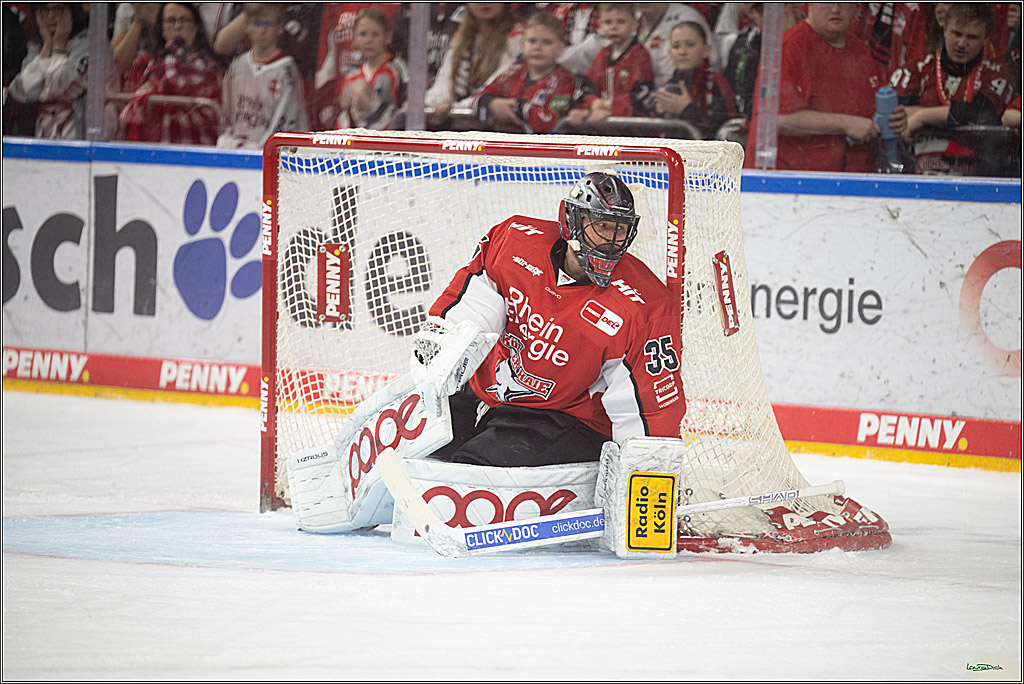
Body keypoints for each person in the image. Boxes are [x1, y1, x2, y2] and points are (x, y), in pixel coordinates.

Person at [416, 172, 686, 469]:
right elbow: (464, 316)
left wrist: (641, 489)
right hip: (494, 396)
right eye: (602, 226)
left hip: (568, 418)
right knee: (420, 446)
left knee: (474, 468)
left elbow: (649, 415)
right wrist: (439, 363)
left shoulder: (645, 304)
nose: (611, 240)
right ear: (571, 222)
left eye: (619, 231)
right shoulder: (514, 242)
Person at [743, 2, 907, 173]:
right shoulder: (788, 48)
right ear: (808, 5)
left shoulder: (863, 53)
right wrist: (844, 124)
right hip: (786, 183)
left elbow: (870, 116)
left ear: (856, 7)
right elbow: (773, 118)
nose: (836, 9)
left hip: (850, 184)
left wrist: (895, 120)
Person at [892, 3, 1017, 175]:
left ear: (986, 37)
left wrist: (922, 116)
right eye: (956, 33)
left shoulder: (998, 73)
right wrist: (949, 116)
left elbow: (980, 114)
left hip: (976, 180)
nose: (961, 43)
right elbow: (894, 115)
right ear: (944, 29)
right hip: (918, 177)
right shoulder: (918, 68)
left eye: (971, 37)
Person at [118, 2, 224, 145]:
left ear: (196, 27)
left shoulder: (207, 64)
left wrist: (172, 47)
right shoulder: (150, 62)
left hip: (191, 151)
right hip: (152, 149)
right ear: (161, 29)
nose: (177, 26)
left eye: (184, 20)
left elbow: (170, 85)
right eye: (171, 20)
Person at [471, 11, 582, 133]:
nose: (537, 47)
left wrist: (519, 108)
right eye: (532, 41)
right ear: (522, 46)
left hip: (540, 146)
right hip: (504, 142)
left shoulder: (565, 80)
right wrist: (492, 103)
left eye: (547, 42)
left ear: (561, 48)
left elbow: (552, 120)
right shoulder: (513, 72)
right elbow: (477, 96)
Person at [217, 3, 308, 149]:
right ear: (247, 27)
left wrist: (262, 149)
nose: (262, 30)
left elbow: (286, 121)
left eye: (268, 24)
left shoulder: (286, 70)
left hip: (273, 155)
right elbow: (227, 113)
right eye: (256, 24)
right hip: (238, 150)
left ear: (280, 28)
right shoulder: (237, 66)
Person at [424, 3, 522, 127]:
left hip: (494, 129)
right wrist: (425, 103)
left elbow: (491, 92)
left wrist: (453, 107)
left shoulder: (518, 37)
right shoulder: (462, 36)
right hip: (459, 126)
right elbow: (443, 86)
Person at [7, 2, 90, 140]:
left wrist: (58, 50)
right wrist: (47, 48)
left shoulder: (86, 45)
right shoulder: (36, 47)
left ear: (71, 11)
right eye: (44, 10)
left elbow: (54, 87)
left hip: (77, 130)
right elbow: (21, 92)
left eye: (57, 9)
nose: (50, 15)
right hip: (42, 132)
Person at [564, 3, 655, 127]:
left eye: (621, 22)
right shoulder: (603, 54)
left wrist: (611, 107)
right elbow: (586, 86)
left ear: (635, 24)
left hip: (632, 128)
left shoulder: (640, 56)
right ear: (600, 24)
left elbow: (642, 94)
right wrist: (594, 103)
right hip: (604, 125)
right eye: (608, 22)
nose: (614, 27)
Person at [654, 20, 737, 140]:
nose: (683, 52)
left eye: (690, 45)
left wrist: (687, 110)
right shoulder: (667, 87)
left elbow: (724, 130)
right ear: (670, 53)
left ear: (706, 51)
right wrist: (658, 112)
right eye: (676, 46)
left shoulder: (717, 83)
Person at [332, 7, 407, 130]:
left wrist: (369, 104)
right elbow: (344, 117)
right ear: (354, 38)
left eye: (375, 34)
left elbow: (404, 110)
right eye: (363, 34)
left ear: (388, 37)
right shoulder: (350, 78)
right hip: (356, 145)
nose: (368, 40)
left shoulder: (400, 69)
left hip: (388, 142)